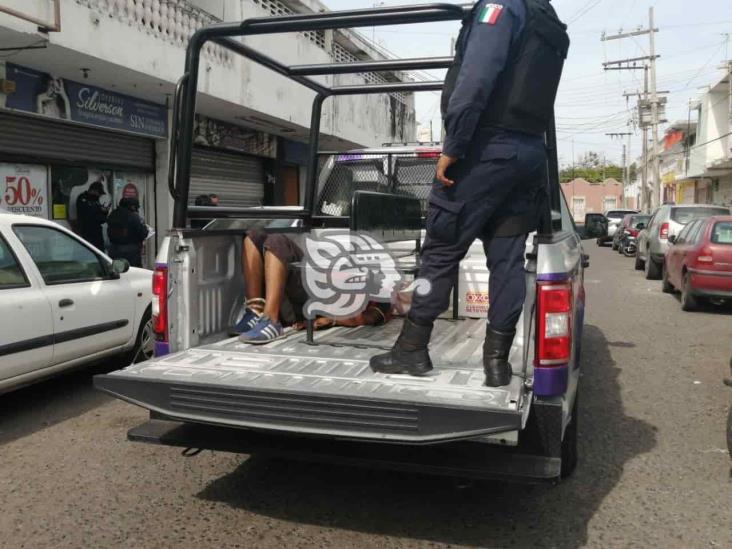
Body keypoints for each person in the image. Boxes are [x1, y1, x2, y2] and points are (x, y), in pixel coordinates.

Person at [370, 0, 569, 387]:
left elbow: (476, 78)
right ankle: (497, 364)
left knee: (441, 250)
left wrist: (454, 146)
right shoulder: (546, 17)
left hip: (485, 149)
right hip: (528, 154)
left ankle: (411, 348)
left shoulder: (500, 7)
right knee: (506, 260)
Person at [231, 229, 390, 344]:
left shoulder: (380, 288)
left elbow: (371, 317)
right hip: (309, 287)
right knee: (254, 236)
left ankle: (271, 321)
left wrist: (332, 319)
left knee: (277, 241)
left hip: (309, 305)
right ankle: (254, 312)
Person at [107, 198, 149, 268]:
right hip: (130, 252)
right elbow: (143, 233)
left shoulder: (113, 214)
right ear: (132, 206)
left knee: (116, 271)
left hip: (113, 249)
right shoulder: (133, 216)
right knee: (133, 273)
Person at [76, 180, 109, 250]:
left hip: (97, 234)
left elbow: (101, 217)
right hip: (87, 233)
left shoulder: (95, 200)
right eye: (99, 193)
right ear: (93, 190)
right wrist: (100, 211)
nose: (99, 195)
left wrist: (105, 211)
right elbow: (89, 215)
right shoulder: (83, 198)